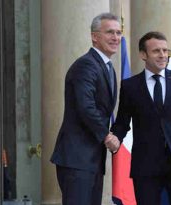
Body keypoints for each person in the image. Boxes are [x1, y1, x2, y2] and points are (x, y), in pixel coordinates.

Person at [111, 31, 171, 205]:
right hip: (146, 167)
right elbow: (122, 122)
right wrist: (114, 138)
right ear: (143, 54)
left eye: (165, 50)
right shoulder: (130, 86)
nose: (163, 55)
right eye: (156, 51)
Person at [50, 12, 121, 205]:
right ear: (94, 36)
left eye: (118, 32)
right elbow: (86, 106)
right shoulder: (86, 65)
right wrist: (107, 136)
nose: (116, 38)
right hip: (77, 159)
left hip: (92, 159)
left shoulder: (107, 68)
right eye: (110, 32)